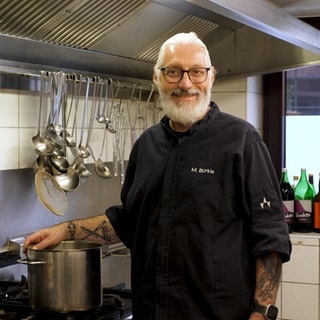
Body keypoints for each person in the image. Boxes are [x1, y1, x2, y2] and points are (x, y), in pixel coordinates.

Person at [24, 32, 291, 320]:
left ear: (211, 77)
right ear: (157, 78)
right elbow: (129, 221)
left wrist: (262, 312)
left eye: (196, 72)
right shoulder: (147, 145)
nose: (186, 84)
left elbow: (270, 236)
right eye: (173, 72)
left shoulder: (242, 141)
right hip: (151, 312)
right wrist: (65, 231)